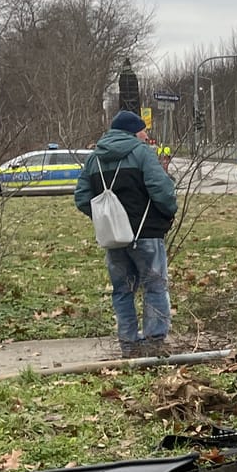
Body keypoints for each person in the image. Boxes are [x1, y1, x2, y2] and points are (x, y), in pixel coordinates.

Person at [75, 111, 177, 359]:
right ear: (133, 131)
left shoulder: (94, 160)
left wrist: (104, 219)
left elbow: (81, 198)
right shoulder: (142, 153)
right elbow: (161, 191)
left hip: (113, 237)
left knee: (122, 290)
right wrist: (167, 213)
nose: (146, 134)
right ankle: (155, 343)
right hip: (146, 234)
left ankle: (129, 344)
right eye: (143, 130)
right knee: (154, 286)